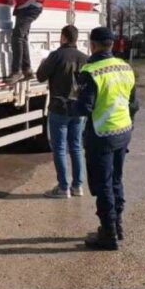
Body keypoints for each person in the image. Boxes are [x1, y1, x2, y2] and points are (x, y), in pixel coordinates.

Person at [72, 26, 138, 250]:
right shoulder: (125, 67)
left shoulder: (91, 70)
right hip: (123, 131)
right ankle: (117, 225)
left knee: (103, 184)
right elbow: (134, 104)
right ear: (111, 44)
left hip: (101, 134)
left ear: (93, 44)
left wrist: (69, 102)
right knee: (116, 180)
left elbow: (84, 108)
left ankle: (107, 233)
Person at [36, 25, 88, 198]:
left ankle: (63, 188)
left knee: (59, 148)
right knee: (76, 147)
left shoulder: (56, 56)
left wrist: (44, 62)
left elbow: (40, 76)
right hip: (78, 109)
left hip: (59, 108)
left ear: (64, 37)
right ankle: (78, 186)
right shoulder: (84, 58)